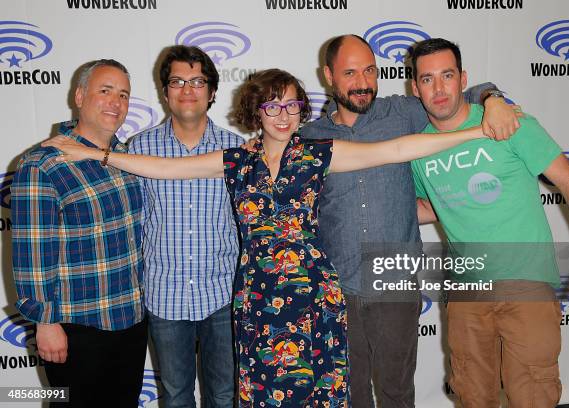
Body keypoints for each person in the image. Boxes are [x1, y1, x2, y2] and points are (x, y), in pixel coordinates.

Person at [44, 68, 493, 406]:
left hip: (314, 295)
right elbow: (163, 168)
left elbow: (396, 149)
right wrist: (98, 154)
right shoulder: (237, 161)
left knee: (319, 392)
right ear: (256, 111)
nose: (283, 115)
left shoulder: (320, 154)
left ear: (302, 110)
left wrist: (477, 131)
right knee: (266, 394)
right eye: (273, 106)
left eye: (293, 105)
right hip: (259, 297)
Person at [299, 34, 520, 408]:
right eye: (350, 72)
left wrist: (493, 99)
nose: (362, 82)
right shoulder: (310, 138)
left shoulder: (404, 112)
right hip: (336, 289)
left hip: (394, 282)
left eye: (370, 70)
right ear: (328, 76)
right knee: (347, 397)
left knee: (397, 394)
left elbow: (455, 95)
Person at [409, 38, 569, 407]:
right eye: (427, 79)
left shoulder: (510, 123)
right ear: (414, 87)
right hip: (467, 291)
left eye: (447, 75)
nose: (438, 88)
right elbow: (432, 206)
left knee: (533, 396)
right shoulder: (420, 148)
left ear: (463, 78)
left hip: (526, 286)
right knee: (473, 397)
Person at [11, 59, 147, 407]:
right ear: (80, 95)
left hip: (129, 319)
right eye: (105, 91)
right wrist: (45, 323)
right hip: (75, 327)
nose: (115, 102)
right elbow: (33, 251)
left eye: (124, 95)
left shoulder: (126, 159)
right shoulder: (42, 164)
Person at [128, 45, 242, 408]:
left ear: (211, 92)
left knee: (224, 395)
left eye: (197, 81)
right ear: (165, 93)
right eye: (177, 81)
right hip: (165, 294)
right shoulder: (140, 148)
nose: (187, 90)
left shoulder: (237, 150)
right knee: (175, 396)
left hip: (223, 292)